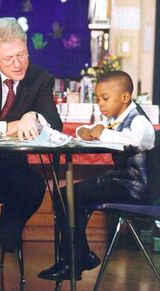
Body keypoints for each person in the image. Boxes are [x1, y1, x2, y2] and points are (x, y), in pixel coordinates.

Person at [0, 18, 62, 287]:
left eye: (22, 55)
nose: (17, 64)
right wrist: (8, 126)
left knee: (33, 187)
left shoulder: (40, 78)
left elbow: (55, 123)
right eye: (8, 59)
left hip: (8, 168)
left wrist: (34, 115)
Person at [38, 70, 155, 281]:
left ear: (125, 97)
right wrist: (85, 131)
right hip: (120, 180)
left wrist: (101, 132)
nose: (100, 104)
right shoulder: (116, 118)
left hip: (135, 188)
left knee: (70, 197)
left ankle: (74, 261)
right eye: (97, 99)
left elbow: (139, 140)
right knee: (65, 194)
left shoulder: (139, 121)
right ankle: (80, 257)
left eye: (105, 98)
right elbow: (88, 129)